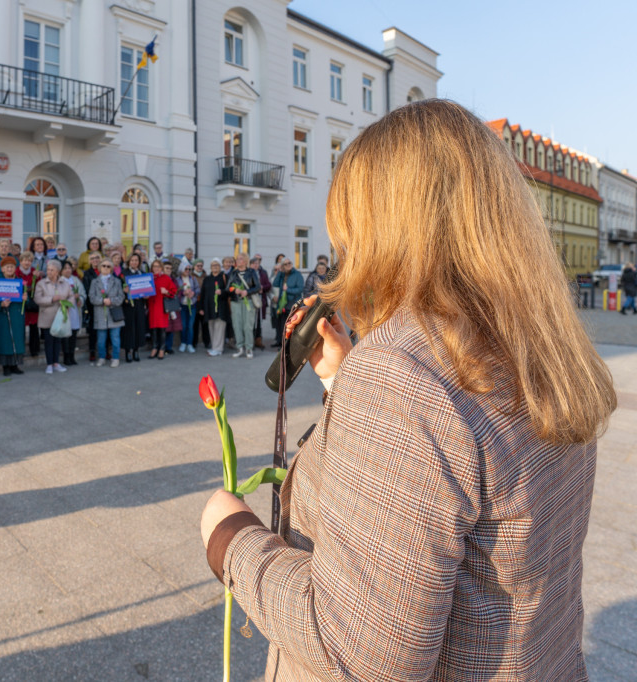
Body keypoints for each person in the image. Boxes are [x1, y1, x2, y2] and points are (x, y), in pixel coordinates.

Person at [200, 99, 617, 682]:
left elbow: (359, 654)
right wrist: (347, 381)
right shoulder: (535, 340)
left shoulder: (402, 372)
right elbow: (458, 456)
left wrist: (232, 538)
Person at [35, 260, 72, 373]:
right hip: (47, 316)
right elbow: (37, 299)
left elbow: (71, 296)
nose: (49, 272)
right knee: (48, 341)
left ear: (57, 271)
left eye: (51, 270)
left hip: (60, 316)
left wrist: (68, 305)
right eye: (48, 270)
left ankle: (56, 363)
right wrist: (52, 299)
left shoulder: (64, 283)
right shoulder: (41, 283)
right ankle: (49, 364)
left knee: (57, 341)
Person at [88, 258, 125, 367]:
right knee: (101, 340)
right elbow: (92, 297)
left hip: (114, 314)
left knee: (115, 338)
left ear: (112, 269)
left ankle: (115, 357)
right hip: (100, 314)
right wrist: (102, 301)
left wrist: (111, 301)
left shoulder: (117, 281)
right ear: (99, 268)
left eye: (108, 266)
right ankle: (102, 357)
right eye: (103, 266)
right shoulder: (94, 282)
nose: (105, 268)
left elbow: (121, 297)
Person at [0, 256, 26, 376]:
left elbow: (25, 299)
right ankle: (5, 366)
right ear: (2, 269)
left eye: (12, 266)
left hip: (16, 315)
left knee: (16, 339)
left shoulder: (19, 282)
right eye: (7, 267)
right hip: (3, 315)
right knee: (4, 340)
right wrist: (0, 304)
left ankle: (15, 365)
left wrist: (24, 298)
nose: (10, 269)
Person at [227, 253, 261, 359]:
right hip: (236, 302)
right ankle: (240, 348)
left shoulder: (251, 272)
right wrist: (234, 290)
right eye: (237, 259)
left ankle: (249, 348)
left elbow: (258, 287)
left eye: (240, 259)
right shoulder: (233, 273)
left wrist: (247, 291)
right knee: (237, 325)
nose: (238, 260)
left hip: (249, 302)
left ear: (245, 261)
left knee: (248, 326)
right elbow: (228, 288)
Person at [198, 258, 229, 356]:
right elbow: (202, 294)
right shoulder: (207, 279)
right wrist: (201, 308)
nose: (214, 267)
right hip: (209, 308)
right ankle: (214, 347)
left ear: (220, 267)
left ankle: (218, 348)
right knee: (211, 327)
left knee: (219, 327)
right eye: (213, 265)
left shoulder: (224, 277)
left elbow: (229, 292)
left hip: (221, 307)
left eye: (216, 265)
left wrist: (222, 292)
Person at [146, 259, 176, 360]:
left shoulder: (166, 278)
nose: (156, 268)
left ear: (161, 268)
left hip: (161, 307)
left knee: (162, 329)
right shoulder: (148, 278)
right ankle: (155, 347)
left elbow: (174, 291)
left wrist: (166, 291)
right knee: (153, 329)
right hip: (152, 306)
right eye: (154, 266)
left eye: (158, 266)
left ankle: (162, 349)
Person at [271, 257, 304, 348]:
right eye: (285, 264)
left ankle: (286, 345)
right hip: (282, 303)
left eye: (289, 263)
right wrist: (280, 272)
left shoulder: (297, 274)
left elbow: (300, 289)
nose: (288, 265)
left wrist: (288, 290)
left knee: (288, 325)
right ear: (282, 266)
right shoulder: (282, 274)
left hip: (292, 303)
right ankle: (280, 342)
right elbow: (275, 284)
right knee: (280, 324)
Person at [120, 253, 146, 363]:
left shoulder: (143, 273)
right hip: (128, 305)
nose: (134, 262)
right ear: (128, 262)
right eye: (132, 260)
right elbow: (119, 288)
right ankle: (128, 351)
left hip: (139, 304)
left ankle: (136, 350)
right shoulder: (123, 274)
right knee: (129, 328)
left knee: (139, 327)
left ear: (139, 262)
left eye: (136, 260)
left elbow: (147, 288)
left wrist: (146, 294)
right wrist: (124, 290)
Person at [18, 251, 42, 358]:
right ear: (21, 261)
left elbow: (39, 286)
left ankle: (34, 350)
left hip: (32, 302)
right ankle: (21, 349)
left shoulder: (34, 272)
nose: (27, 262)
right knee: (21, 327)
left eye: (29, 260)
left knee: (34, 326)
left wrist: (37, 279)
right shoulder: (17, 272)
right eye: (24, 260)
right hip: (21, 301)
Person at [60, 260, 84, 365]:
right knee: (66, 335)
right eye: (65, 268)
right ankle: (66, 357)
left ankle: (72, 355)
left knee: (73, 334)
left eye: (69, 268)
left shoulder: (75, 280)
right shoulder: (59, 281)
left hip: (74, 310)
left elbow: (83, 293)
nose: (67, 270)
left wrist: (80, 299)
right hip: (64, 310)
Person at [250, 254, 273, 349]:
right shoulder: (248, 273)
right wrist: (255, 289)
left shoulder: (263, 273)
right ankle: (250, 340)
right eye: (254, 263)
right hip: (251, 299)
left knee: (259, 321)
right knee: (251, 321)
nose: (256, 265)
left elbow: (268, 285)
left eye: (258, 263)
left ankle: (258, 340)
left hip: (260, 299)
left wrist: (263, 287)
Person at [177, 261, 199, 353]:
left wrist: (193, 293)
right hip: (182, 305)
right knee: (184, 325)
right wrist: (183, 293)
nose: (188, 270)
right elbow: (176, 291)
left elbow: (198, 289)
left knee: (190, 325)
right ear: (182, 269)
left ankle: (189, 344)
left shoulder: (193, 278)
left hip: (192, 305)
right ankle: (183, 343)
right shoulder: (178, 279)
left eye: (189, 269)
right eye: (186, 269)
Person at [162, 260, 182, 355]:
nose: (169, 270)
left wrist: (170, 294)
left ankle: (168, 347)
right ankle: (161, 347)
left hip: (172, 305)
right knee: (162, 328)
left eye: (170, 268)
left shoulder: (174, 280)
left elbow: (177, 292)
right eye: (167, 268)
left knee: (171, 327)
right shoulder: (160, 278)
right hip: (162, 306)